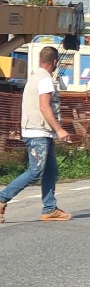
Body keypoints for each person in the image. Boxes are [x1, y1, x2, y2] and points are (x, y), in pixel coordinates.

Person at [0, 45, 72, 221]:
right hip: (38, 131)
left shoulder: (34, 77)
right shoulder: (45, 80)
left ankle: (49, 208)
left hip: (39, 131)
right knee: (35, 171)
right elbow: (44, 106)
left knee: (50, 171)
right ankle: (2, 198)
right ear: (55, 62)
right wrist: (59, 129)